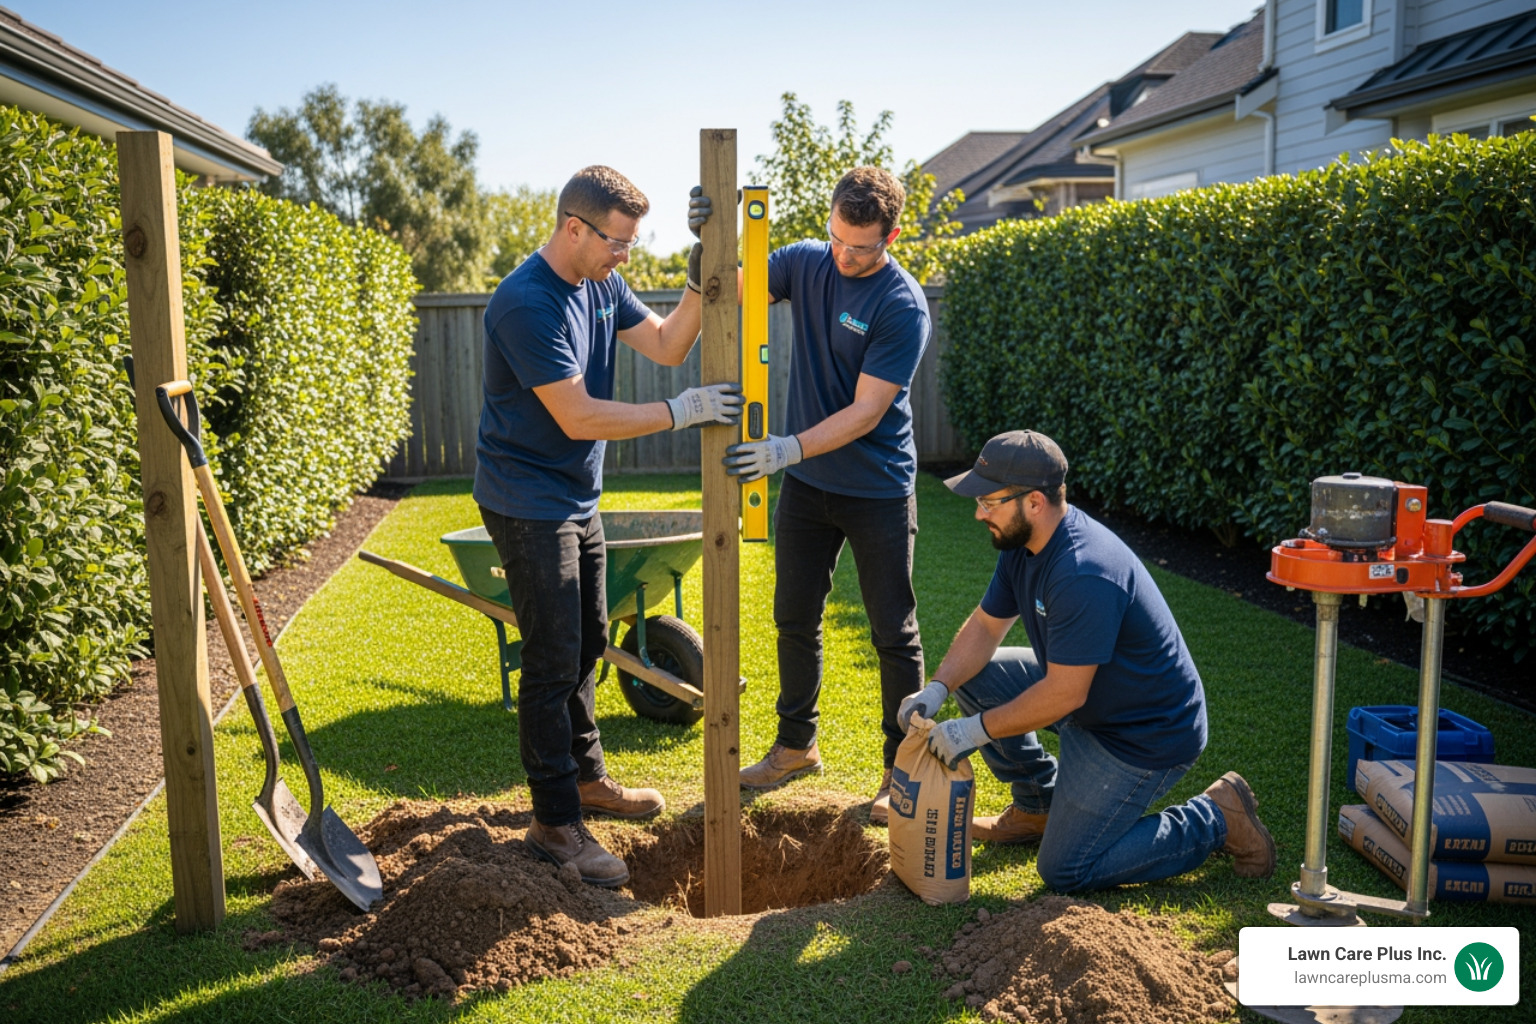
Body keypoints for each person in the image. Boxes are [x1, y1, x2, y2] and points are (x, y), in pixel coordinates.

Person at [476, 165, 742, 888]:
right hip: (525, 500)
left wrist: (696, 274)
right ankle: (555, 824)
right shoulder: (525, 303)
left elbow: (666, 345)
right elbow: (578, 414)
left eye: (631, 243)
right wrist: (679, 412)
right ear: (573, 227)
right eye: (617, 242)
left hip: (575, 496)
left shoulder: (599, 285)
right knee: (553, 657)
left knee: (591, 641)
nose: (625, 256)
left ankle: (587, 780)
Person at [900, 430, 1276, 890]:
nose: (979, 513)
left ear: (1034, 502)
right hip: (1088, 696)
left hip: (1141, 734)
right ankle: (1039, 805)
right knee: (976, 678)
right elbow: (984, 627)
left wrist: (972, 731)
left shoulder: (1083, 571)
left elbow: (1063, 694)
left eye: (989, 501)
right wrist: (937, 688)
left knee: (1066, 869)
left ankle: (1216, 817)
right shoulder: (1024, 544)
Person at [689, 167, 931, 824]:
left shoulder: (901, 304)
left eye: (862, 247)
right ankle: (796, 746)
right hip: (808, 488)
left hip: (877, 488)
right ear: (829, 220)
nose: (847, 256)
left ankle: (898, 770)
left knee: (893, 632)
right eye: (838, 239)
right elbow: (731, 292)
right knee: (794, 616)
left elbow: (865, 412)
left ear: (892, 235)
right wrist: (704, 242)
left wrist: (786, 448)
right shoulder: (805, 262)